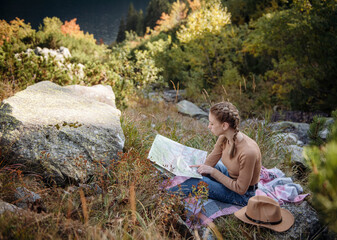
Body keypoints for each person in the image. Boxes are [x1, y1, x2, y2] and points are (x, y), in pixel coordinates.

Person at [168, 101, 262, 206]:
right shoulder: (224, 138)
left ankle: (163, 197)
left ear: (224, 126)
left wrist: (212, 172)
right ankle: (170, 178)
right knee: (200, 164)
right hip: (230, 177)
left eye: (212, 123)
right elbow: (209, 162)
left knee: (198, 183)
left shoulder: (248, 152)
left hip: (242, 196)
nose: (209, 126)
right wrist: (195, 170)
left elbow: (241, 189)